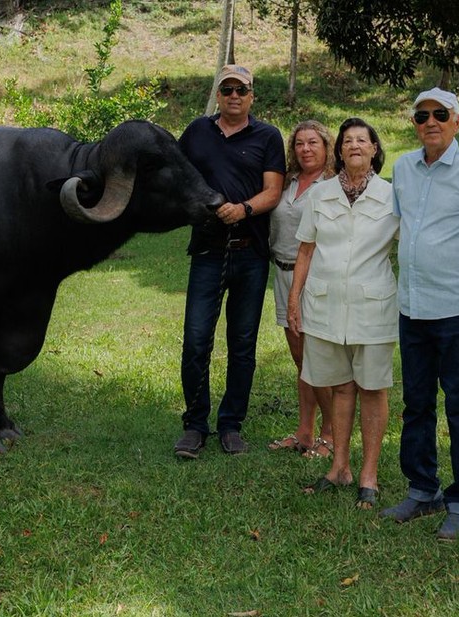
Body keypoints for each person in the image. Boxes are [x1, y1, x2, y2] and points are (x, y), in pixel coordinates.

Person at [381, 87, 459, 539]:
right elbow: (402, 228)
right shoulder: (404, 169)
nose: (430, 122)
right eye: (421, 115)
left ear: (458, 120)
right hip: (412, 308)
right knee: (417, 404)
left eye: (440, 114)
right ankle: (422, 488)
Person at [174, 64, 286, 458]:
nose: (234, 96)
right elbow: (176, 177)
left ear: (252, 96)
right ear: (218, 95)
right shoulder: (196, 132)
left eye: (242, 89)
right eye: (227, 90)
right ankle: (195, 425)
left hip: (250, 254)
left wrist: (244, 209)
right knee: (195, 340)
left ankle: (231, 424)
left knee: (242, 344)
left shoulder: (268, 136)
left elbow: (274, 191)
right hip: (207, 252)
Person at [288, 118, 397, 510]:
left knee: (372, 387)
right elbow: (305, 250)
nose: (354, 145)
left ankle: (369, 475)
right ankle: (339, 467)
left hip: (373, 306)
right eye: (347, 140)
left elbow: (414, 242)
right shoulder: (321, 194)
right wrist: (294, 299)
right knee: (339, 385)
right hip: (325, 303)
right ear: (340, 151)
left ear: (373, 150)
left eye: (362, 140)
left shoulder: (391, 196)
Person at [266, 120, 336, 459]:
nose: (305, 149)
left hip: (313, 278)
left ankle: (330, 434)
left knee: (317, 360)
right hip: (281, 272)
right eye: (299, 144)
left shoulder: (333, 184)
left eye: (313, 143)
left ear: (326, 147)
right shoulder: (288, 182)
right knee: (300, 359)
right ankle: (305, 432)